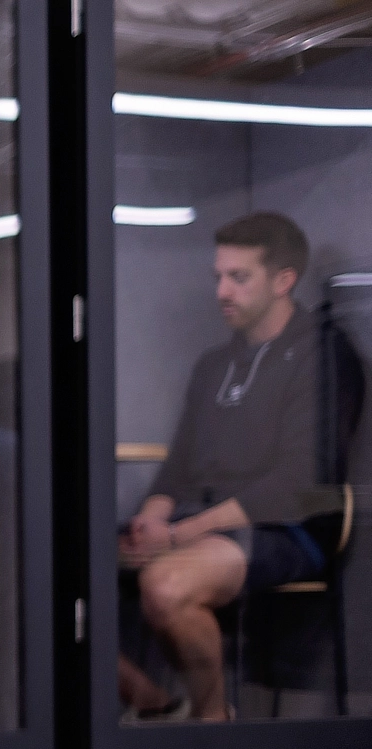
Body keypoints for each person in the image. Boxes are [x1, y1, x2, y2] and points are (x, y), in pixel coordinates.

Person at [119, 212, 361, 722]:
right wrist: (153, 522)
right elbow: (178, 467)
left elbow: (299, 484)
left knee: (166, 587)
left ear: (283, 281)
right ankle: (162, 707)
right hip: (199, 523)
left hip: (288, 526)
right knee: (68, 579)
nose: (222, 291)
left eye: (238, 277)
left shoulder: (323, 353)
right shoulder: (213, 365)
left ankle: (212, 723)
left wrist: (180, 535)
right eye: (218, 277)